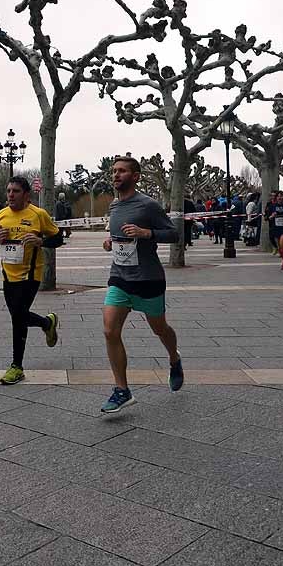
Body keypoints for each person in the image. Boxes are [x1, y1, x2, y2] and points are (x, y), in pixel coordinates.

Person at [100, 157, 183, 414]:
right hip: (120, 277)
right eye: (114, 171)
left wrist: (147, 233)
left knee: (160, 328)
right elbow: (119, 236)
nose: (115, 175)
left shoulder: (148, 205)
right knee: (110, 331)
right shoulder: (114, 205)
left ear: (135, 176)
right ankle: (122, 390)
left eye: (121, 171)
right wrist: (110, 242)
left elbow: (174, 234)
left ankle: (174, 358)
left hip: (148, 278)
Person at [0, 176, 63, 385]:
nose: (11, 195)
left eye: (16, 191)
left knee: (18, 318)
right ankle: (47, 322)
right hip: (7, 275)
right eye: (9, 191)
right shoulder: (1, 215)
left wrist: (41, 241)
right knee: (18, 316)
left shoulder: (38, 215)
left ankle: (16, 366)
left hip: (31, 275)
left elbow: (58, 238)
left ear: (27, 195)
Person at [265, 190, 283, 271]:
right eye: (278, 196)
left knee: (282, 243)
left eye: (281, 196)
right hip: (276, 228)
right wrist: (272, 216)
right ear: (276, 198)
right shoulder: (272, 206)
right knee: (280, 248)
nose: (280, 198)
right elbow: (266, 218)